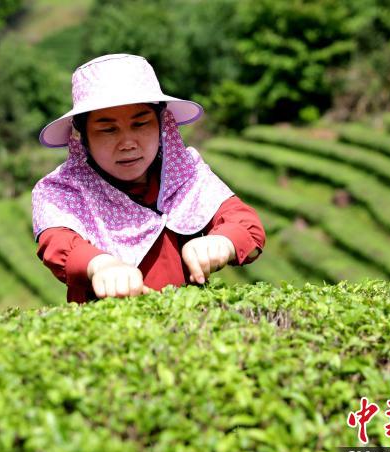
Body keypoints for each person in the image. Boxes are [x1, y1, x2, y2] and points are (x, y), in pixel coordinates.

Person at [32, 53, 265, 303]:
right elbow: (56, 242)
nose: (128, 143)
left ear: (161, 124)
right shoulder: (62, 190)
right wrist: (100, 265)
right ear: (83, 135)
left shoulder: (184, 174)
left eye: (141, 123)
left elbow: (245, 223)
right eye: (108, 129)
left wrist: (223, 241)